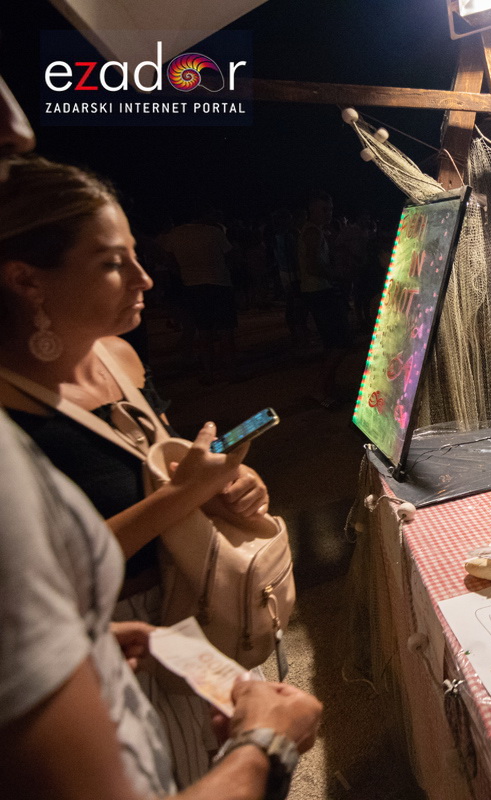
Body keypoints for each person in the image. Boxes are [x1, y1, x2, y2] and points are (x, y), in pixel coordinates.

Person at [0, 66, 322, 800]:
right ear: (27, 281)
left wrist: (227, 488)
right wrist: (186, 498)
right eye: (114, 265)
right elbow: (45, 577)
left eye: (140, 255)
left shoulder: (120, 356)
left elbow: (165, 472)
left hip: (190, 613)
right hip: (127, 632)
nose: (147, 279)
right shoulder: (11, 419)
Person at [160, 206, 238, 384]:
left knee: (204, 332)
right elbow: (231, 255)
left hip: (193, 286)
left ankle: (209, 373)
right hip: (219, 283)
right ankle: (231, 372)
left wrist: (184, 273)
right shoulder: (213, 232)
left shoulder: (174, 235)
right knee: (226, 331)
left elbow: (168, 261)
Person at [297, 190, 352, 408]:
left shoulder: (315, 231)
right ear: (312, 210)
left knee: (332, 343)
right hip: (319, 292)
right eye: (323, 209)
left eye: (330, 209)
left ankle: (328, 387)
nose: (328, 213)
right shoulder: (312, 232)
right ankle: (319, 389)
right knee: (341, 342)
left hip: (317, 291)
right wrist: (339, 274)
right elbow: (313, 266)